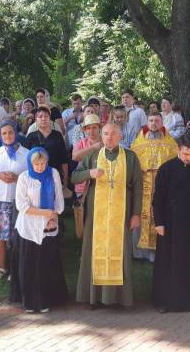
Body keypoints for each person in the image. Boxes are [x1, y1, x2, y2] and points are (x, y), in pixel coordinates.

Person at [72, 123, 143, 308]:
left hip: (122, 214)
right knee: (93, 251)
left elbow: (138, 187)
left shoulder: (130, 157)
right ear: (101, 136)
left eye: (113, 134)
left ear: (120, 136)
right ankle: (94, 297)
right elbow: (74, 177)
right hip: (96, 215)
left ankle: (119, 298)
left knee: (120, 251)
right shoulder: (94, 155)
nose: (109, 137)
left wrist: (136, 214)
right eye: (105, 134)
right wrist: (89, 173)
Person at [152, 133, 190, 313]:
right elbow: (158, 198)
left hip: (189, 222)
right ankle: (163, 301)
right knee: (166, 261)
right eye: (186, 154)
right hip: (168, 223)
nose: (189, 158)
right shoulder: (166, 169)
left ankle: (185, 301)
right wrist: (159, 222)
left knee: (186, 261)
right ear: (178, 149)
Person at [11, 147, 68, 313]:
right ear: (30, 163)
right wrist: (45, 212)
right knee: (29, 265)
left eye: (43, 163)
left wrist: (53, 216)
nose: (40, 167)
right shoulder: (24, 177)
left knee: (46, 265)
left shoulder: (53, 173)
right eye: (37, 164)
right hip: (28, 227)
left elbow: (59, 198)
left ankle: (46, 300)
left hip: (48, 226)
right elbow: (21, 205)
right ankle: (29, 302)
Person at [0, 120, 29, 280]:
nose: (7, 136)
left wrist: (18, 178)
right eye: (4, 133)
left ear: (16, 133)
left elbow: (32, 177)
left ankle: (16, 268)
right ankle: (2, 268)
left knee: (17, 236)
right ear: (0, 136)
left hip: (18, 201)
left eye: (10, 132)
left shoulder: (27, 154)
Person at [130, 113, 178, 261]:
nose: (153, 123)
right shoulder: (139, 142)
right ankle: (139, 252)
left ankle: (156, 253)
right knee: (141, 213)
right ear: (147, 122)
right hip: (143, 184)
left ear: (162, 123)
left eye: (156, 120)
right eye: (151, 120)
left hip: (161, 185)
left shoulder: (170, 142)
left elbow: (174, 162)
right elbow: (134, 161)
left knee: (158, 213)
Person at [22, 107, 70, 194]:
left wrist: (65, 181)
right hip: (35, 178)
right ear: (36, 120)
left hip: (54, 176)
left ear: (50, 119)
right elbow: (24, 158)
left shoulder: (57, 135)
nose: (43, 118)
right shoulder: (31, 136)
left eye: (46, 116)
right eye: (40, 116)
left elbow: (64, 159)